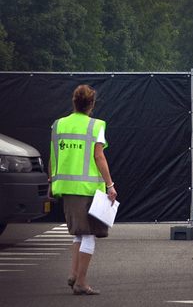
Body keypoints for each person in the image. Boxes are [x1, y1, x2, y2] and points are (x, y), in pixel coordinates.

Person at [48, 85, 117, 296]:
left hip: (67, 188)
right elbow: (99, 157)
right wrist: (110, 185)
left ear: (73, 102)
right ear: (92, 104)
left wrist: (51, 182)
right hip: (87, 189)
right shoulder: (96, 126)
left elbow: (53, 156)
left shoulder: (58, 125)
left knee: (79, 232)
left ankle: (74, 274)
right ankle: (81, 282)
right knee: (89, 235)